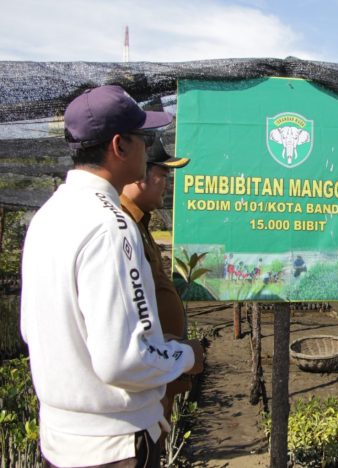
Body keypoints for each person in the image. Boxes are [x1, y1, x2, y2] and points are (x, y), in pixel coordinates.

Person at [21, 85, 204, 468]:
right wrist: (186, 355)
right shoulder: (110, 225)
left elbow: (32, 330)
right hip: (113, 445)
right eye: (144, 138)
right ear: (119, 146)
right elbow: (123, 361)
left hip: (63, 439)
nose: (147, 147)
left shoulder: (49, 215)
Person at [120, 137, 192, 428]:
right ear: (140, 175)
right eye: (162, 175)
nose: (166, 183)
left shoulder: (139, 224)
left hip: (160, 369)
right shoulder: (120, 228)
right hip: (145, 377)